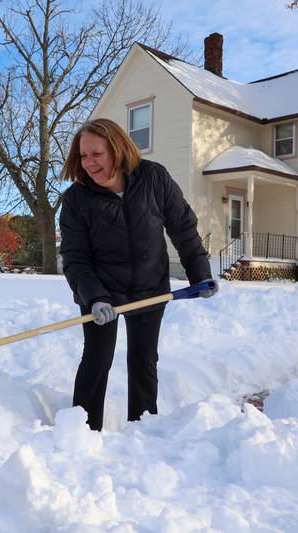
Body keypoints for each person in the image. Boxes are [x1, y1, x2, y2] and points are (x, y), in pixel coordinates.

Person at [59, 118, 218, 431]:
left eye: (96, 154)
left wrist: (199, 273)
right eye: (83, 156)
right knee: (96, 359)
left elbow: (182, 228)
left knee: (144, 362)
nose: (88, 163)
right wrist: (95, 298)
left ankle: (143, 430)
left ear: (118, 150)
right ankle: (81, 431)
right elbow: (75, 259)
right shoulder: (77, 200)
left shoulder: (153, 178)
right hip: (101, 291)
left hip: (149, 286)